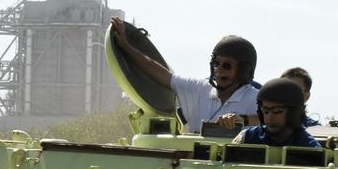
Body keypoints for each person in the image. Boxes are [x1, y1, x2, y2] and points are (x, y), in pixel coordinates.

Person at [110, 16, 259, 133]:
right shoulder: (198, 89)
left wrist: (244, 119)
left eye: (227, 66)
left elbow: (278, 118)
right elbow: (160, 73)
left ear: (243, 71)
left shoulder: (255, 98)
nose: (219, 70)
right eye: (216, 63)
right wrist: (126, 46)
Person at [232, 78, 321, 147]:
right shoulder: (247, 138)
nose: (270, 117)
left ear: (293, 113)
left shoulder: (309, 148)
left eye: (277, 111)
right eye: (265, 111)